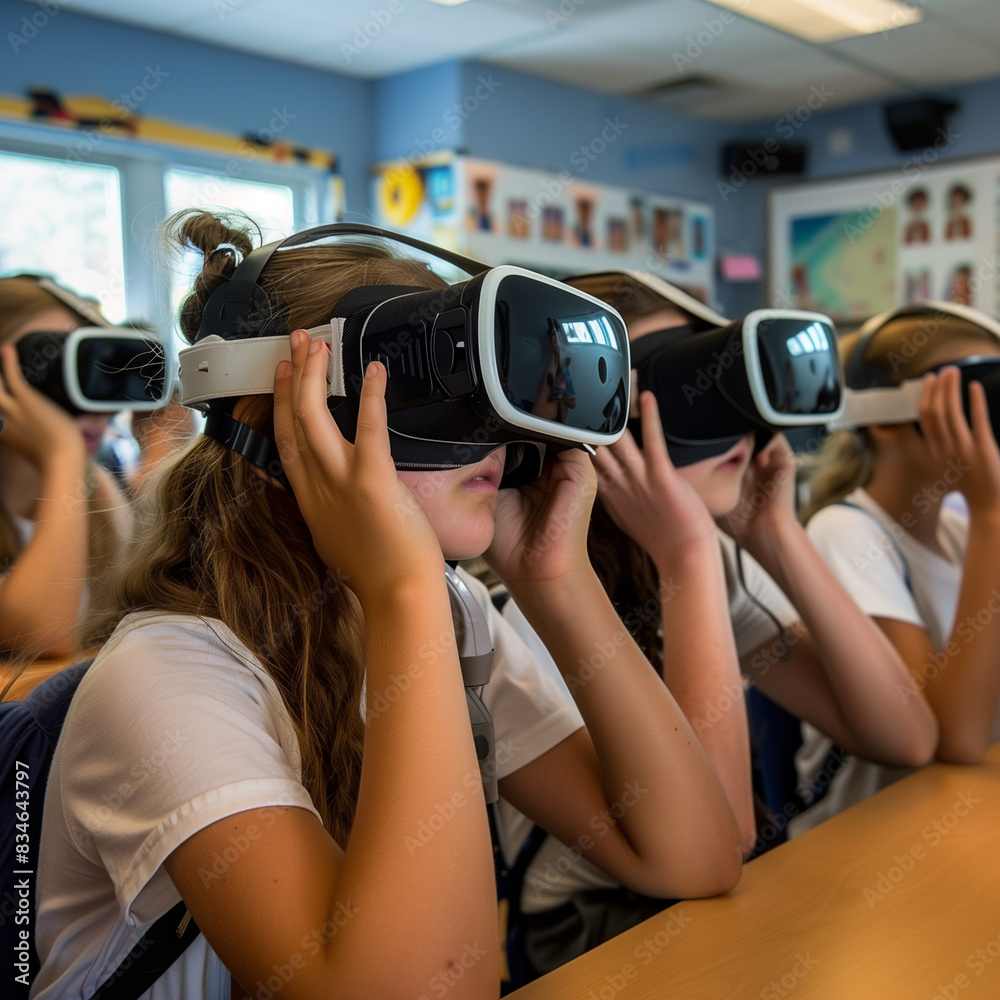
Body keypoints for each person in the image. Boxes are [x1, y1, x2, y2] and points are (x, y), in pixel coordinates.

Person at [31, 214, 743, 1000]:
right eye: (429, 388)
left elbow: (693, 855)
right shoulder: (166, 677)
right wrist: (404, 592)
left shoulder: (453, 608)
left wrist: (553, 580)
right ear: (282, 416)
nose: (493, 435)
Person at [495, 272, 937, 981]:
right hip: (598, 946)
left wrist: (775, 532)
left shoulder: (718, 563)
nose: (726, 421)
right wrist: (688, 555)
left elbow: (903, 736)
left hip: (727, 922)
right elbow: (722, 837)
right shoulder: (534, 605)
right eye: (682, 393)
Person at [795, 303, 1000, 832]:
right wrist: (992, 515)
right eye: (971, 401)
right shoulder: (845, 535)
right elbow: (954, 738)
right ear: (887, 419)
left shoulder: (960, 533)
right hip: (871, 838)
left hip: (964, 819)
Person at [0, 276, 131, 664]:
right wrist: (62, 453)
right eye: (53, 366)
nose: (87, 397)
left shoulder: (97, 491)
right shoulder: (74, 470)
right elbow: (38, 635)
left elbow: (139, 615)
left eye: (95, 365)